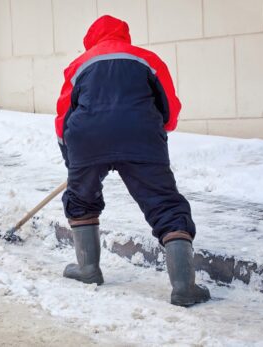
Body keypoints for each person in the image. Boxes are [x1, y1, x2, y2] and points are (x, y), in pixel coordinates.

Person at [56, 15, 210, 307]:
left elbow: (64, 118)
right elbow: (170, 108)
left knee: (81, 198)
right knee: (164, 203)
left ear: (91, 39)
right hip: (141, 136)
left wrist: (72, 159)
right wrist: (152, 133)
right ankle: (184, 287)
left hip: (88, 138)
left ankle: (88, 269)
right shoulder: (147, 59)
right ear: (123, 36)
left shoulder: (78, 66)